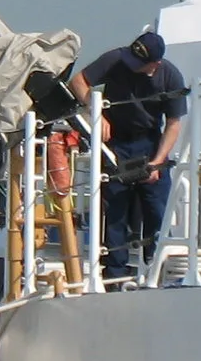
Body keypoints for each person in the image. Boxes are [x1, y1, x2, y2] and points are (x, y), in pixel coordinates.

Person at [68, 29, 188, 281]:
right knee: (115, 211)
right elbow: (78, 82)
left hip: (150, 144)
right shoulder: (116, 59)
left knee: (156, 211)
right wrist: (97, 112)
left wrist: (157, 162)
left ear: (155, 63)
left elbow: (174, 124)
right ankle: (114, 277)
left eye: (139, 63)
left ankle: (156, 271)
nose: (132, 65)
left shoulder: (171, 76)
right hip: (115, 144)